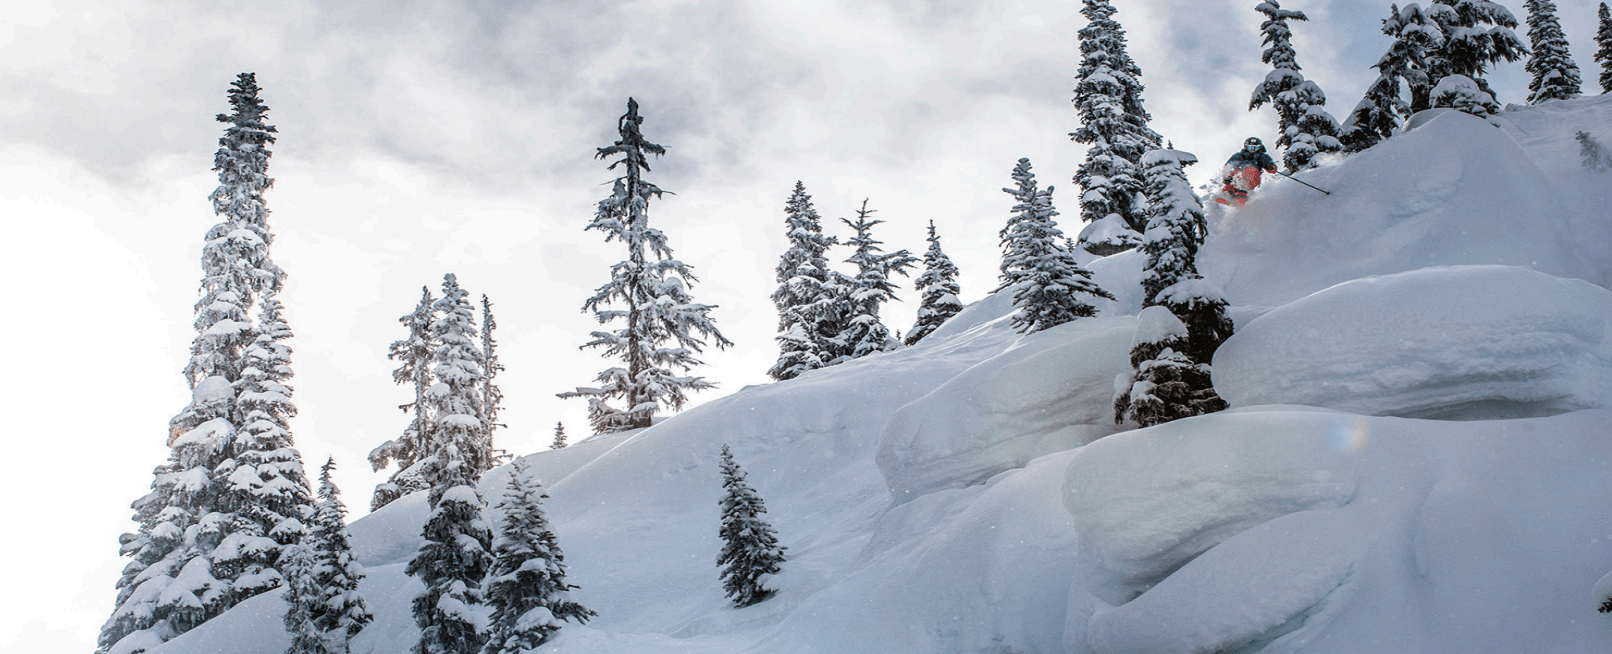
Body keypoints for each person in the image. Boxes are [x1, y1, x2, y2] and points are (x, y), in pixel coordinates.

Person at [1218, 137, 1278, 206]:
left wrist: (1270, 166)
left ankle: (1242, 195)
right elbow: (1228, 166)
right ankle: (1227, 199)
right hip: (1237, 179)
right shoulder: (1239, 156)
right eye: (1249, 147)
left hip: (1251, 179)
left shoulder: (1262, 157)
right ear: (1245, 147)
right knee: (1234, 175)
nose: (1252, 150)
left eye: (1255, 148)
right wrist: (1226, 178)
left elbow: (1273, 169)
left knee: (1251, 170)